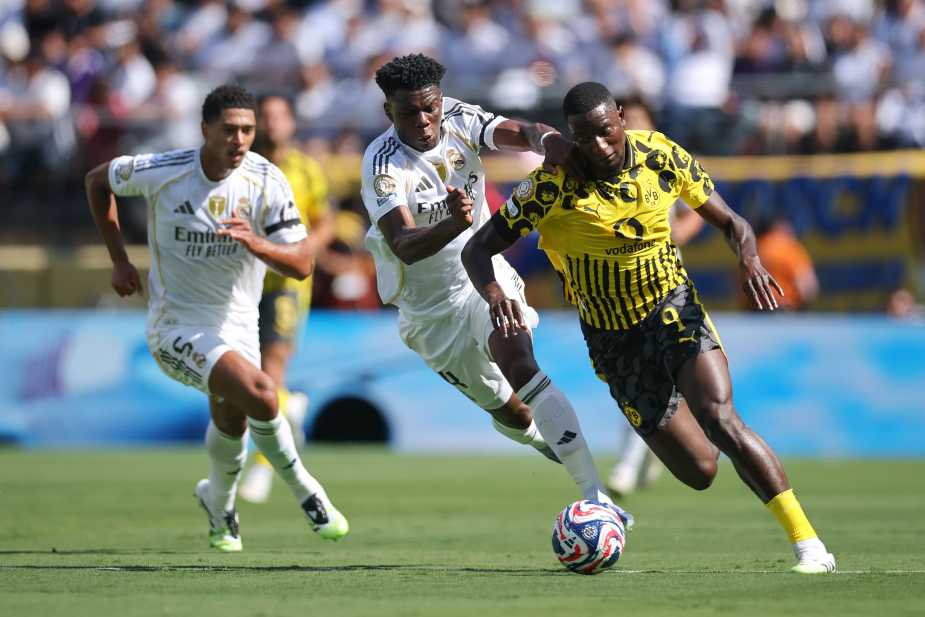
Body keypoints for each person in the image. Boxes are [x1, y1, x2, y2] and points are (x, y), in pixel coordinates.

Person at [462, 81, 836, 574]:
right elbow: (477, 249)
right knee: (700, 470)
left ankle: (809, 545)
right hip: (613, 340)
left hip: (673, 309)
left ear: (620, 117)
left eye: (605, 131)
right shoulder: (550, 186)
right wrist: (493, 294)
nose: (598, 146)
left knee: (721, 418)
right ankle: (669, 412)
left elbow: (733, 223)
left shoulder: (660, 155)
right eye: (584, 137)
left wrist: (749, 259)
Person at [84, 84, 349, 552]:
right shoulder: (163, 170)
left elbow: (302, 265)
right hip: (176, 328)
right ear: (204, 129)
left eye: (247, 130)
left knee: (234, 421)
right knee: (265, 392)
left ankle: (219, 506)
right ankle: (309, 491)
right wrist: (119, 259)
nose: (240, 139)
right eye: (229, 130)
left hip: (239, 327)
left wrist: (257, 243)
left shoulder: (267, 179)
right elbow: (97, 179)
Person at [361, 54, 629, 515]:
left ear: (440, 100)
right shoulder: (382, 162)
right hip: (430, 311)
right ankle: (549, 445)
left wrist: (547, 140)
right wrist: (450, 223)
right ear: (389, 112)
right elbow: (403, 243)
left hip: (483, 275)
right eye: (409, 112)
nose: (424, 121)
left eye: (430, 107)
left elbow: (519, 132)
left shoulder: (460, 118)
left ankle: (596, 498)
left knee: (518, 357)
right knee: (514, 413)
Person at [237, 93, 336, 504]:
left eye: (281, 116)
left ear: (291, 123)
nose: (274, 124)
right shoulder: (242, 168)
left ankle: (261, 466)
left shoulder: (306, 169)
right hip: (243, 283)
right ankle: (289, 407)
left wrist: (304, 249)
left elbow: (326, 220)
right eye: (267, 117)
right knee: (248, 377)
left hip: (287, 288)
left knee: (271, 370)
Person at [607, 97, 705, 497]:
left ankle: (631, 463)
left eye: (638, 120)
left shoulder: (662, 158)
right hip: (616, 285)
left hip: (665, 278)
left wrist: (680, 231)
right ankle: (648, 452)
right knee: (634, 376)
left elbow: (700, 202)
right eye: (624, 119)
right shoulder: (599, 167)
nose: (630, 126)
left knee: (657, 373)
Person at [742, 213, 819, 312]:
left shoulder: (753, 250)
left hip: (757, 313)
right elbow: (807, 287)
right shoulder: (790, 248)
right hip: (785, 313)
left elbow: (742, 288)